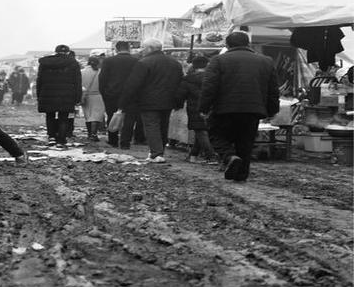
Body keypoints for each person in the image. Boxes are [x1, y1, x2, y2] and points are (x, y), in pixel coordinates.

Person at [200, 31, 279, 181]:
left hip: (224, 108)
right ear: (248, 43)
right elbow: (273, 89)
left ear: (227, 45)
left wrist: (204, 108)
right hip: (253, 109)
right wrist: (272, 109)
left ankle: (229, 157)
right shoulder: (266, 61)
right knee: (245, 141)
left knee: (217, 135)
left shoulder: (218, 60)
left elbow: (209, 87)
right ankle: (241, 174)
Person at [120, 39, 183, 162]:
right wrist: (178, 101)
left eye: (143, 48)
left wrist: (124, 102)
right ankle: (160, 151)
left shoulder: (144, 63)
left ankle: (156, 153)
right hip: (168, 100)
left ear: (149, 48)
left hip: (148, 100)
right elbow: (180, 84)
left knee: (151, 126)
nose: (141, 50)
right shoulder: (175, 63)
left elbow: (133, 84)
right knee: (163, 126)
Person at [36, 45, 82, 148]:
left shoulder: (45, 63)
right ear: (67, 52)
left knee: (50, 115)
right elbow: (77, 82)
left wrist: (39, 95)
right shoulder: (73, 63)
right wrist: (77, 97)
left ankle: (51, 137)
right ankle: (61, 139)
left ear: (55, 52)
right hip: (66, 94)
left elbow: (39, 80)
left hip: (48, 93)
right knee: (63, 117)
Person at [99, 41, 143, 148]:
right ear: (129, 48)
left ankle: (113, 140)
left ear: (116, 49)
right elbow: (140, 79)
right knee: (130, 118)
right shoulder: (137, 61)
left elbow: (102, 79)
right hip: (132, 94)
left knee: (112, 116)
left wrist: (104, 93)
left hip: (112, 94)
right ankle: (125, 142)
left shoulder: (108, 61)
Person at [175, 56, 217, 164]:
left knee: (200, 131)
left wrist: (177, 105)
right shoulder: (213, 77)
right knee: (201, 130)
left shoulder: (188, 79)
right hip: (211, 106)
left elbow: (181, 94)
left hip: (194, 107)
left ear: (193, 65)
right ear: (207, 64)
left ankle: (211, 156)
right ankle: (193, 155)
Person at [81, 56, 105, 142]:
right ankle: (94, 134)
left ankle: (89, 133)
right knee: (96, 116)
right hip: (98, 95)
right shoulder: (100, 72)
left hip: (85, 95)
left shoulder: (82, 72)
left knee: (88, 115)